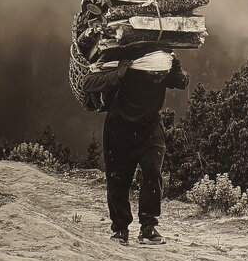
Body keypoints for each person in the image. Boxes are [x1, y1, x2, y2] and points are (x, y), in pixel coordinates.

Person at [81, 52, 189, 246]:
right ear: (143, 70)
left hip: (151, 127)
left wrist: (176, 66)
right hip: (118, 128)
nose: (159, 78)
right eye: (154, 75)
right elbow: (88, 83)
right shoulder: (121, 61)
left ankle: (148, 226)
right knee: (118, 179)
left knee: (153, 171)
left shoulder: (162, 65)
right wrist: (117, 75)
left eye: (161, 75)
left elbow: (182, 81)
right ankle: (120, 228)